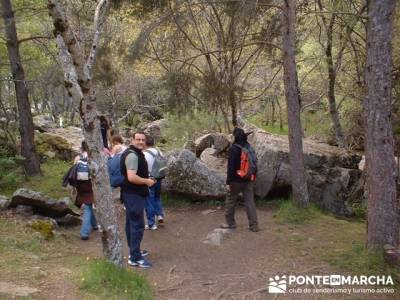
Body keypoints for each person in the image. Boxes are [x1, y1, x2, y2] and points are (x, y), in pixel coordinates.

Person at [120, 131, 155, 268]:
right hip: (134, 195)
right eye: (138, 139)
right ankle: (135, 258)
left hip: (131, 194)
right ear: (132, 140)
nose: (141, 142)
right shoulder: (133, 156)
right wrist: (147, 181)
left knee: (131, 223)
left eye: (143, 139)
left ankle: (134, 251)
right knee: (137, 226)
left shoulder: (133, 153)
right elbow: (132, 177)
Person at [221, 127, 259, 232]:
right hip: (248, 179)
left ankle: (230, 223)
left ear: (235, 137)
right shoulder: (249, 147)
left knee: (231, 200)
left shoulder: (234, 149)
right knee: (250, 202)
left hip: (236, 180)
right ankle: (254, 225)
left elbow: (231, 167)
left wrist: (228, 181)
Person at [74, 141, 98, 240]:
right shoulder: (93, 157)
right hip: (90, 184)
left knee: (88, 204)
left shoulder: (77, 158)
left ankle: (95, 224)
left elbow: (74, 171)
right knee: (88, 206)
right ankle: (84, 232)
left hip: (80, 184)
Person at [143, 135, 165, 230]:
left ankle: (151, 223)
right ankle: (160, 215)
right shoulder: (159, 151)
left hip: (149, 180)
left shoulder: (144, 154)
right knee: (157, 197)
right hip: (159, 178)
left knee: (149, 201)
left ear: (145, 143)